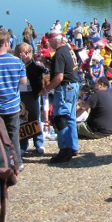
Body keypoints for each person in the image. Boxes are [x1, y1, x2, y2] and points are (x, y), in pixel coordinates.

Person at [41, 29, 80, 164]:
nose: (48, 43)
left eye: (49, 40)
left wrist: (46, 89)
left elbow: (59, 77)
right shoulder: (68, 50)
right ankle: (73, 147)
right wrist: (47, 64)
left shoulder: (59, 53)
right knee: (70, 118)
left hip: (64, 88)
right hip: (73, 85)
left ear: (55, 40)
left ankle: (64, 150)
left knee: (60, 118)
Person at [0, 32, 27, 171]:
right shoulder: (17, 62)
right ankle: (17, 162)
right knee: (13, 135)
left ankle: (0, 161)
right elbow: (23, 84)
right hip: (13, 106)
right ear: (7, 43)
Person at [15, 43, 47, 155]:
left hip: (33, 93)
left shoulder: (35, 65)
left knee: (35, 117)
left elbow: (41, 73)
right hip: (21, 94)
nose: (25, 55)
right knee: (23, 119)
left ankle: (38, 142)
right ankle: (23, 144)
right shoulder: (16, 64)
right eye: (23, 52)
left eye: (27, 52)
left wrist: (29, 61)